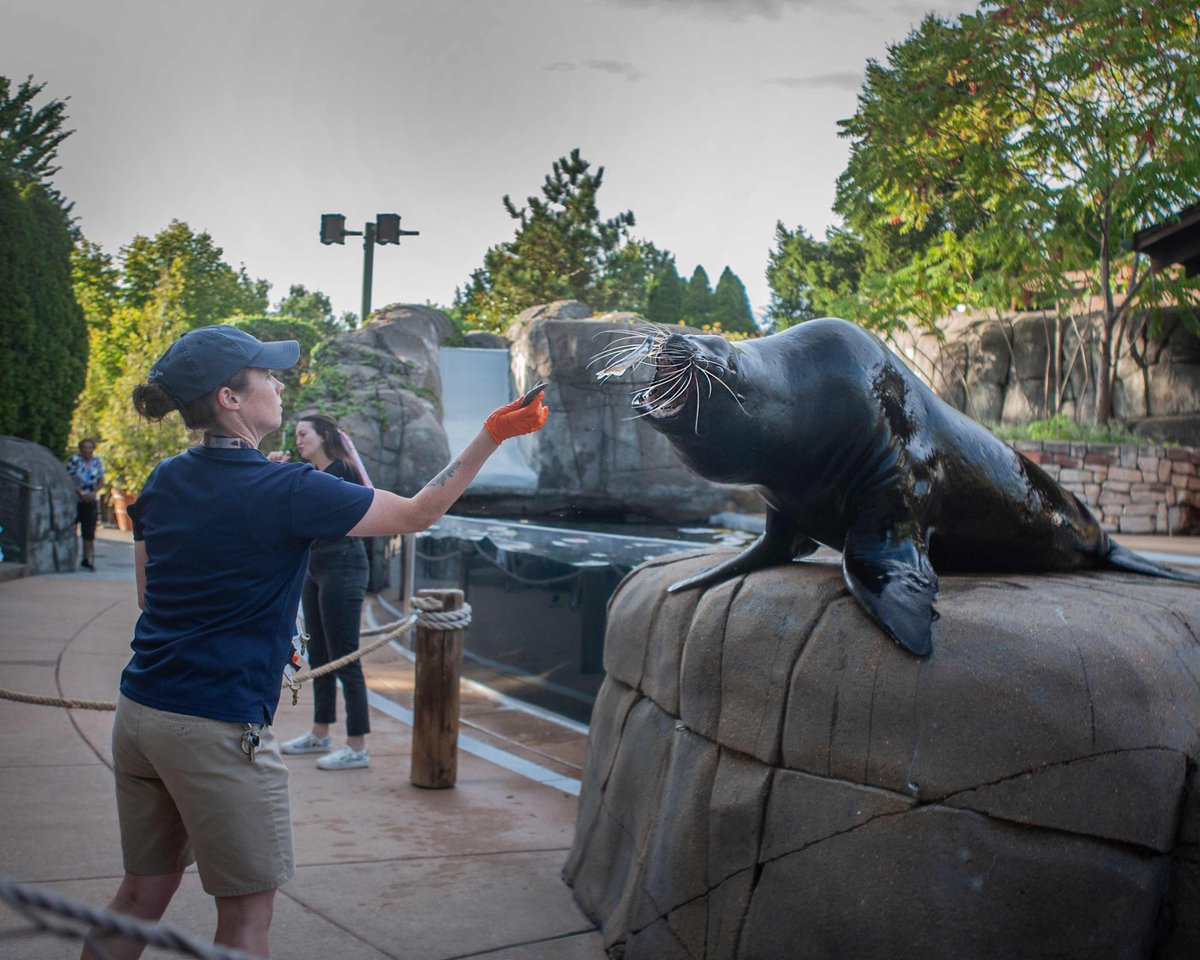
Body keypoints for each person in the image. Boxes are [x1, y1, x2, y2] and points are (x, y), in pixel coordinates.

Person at [83, 324, 548, 960]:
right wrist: (492, 435)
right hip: (217, 726)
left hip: (140, 716)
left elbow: (148, 597)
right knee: (245, 922)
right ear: (230, 398)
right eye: (267, 376)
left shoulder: (165, 481)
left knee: (139, 900)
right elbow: (416, 514)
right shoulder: (290, 489)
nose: (280, 384)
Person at [275, 413, 374, 770]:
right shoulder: (314, 476)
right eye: (297, 435)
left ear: (323, 436)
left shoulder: (342, 472)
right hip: (315, 566)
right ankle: (320, 732)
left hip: (343, 564)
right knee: (319, 655)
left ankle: (357, 745)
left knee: (345, 655)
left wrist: (279, 477)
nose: (299, 440)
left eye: (304, 434)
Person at [66, 437, 105, 570]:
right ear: (80, 449)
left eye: (90, 448)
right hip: (76, 499)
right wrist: (79, 492)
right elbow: (68, 478)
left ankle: (86, 559)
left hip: (91, 499)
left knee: (88, 531)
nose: (87, 450)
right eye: (85, 448)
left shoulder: (96, 462)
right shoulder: (74, 461)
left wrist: (94, 492)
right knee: (71, 529)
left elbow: (101, 479)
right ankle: (69, 558)